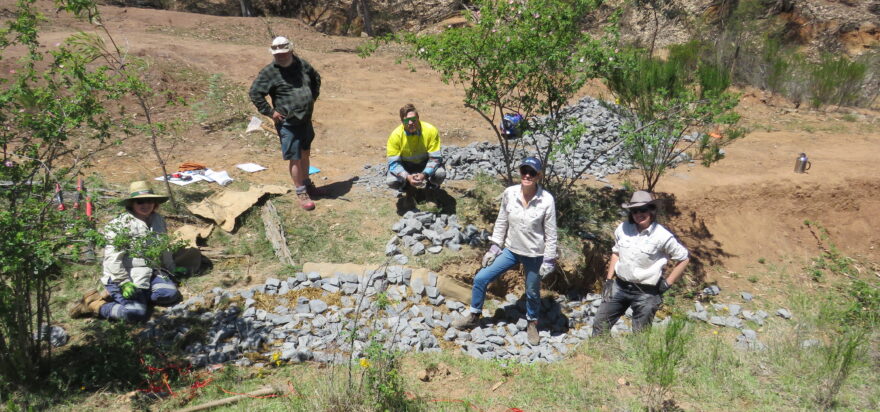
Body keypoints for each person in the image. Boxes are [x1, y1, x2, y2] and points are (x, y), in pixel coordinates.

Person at [451, 157, 557, 346]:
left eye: (532, 172)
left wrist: (548, 260)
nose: (527, 175)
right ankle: (474, 315)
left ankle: (532, 322)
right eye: (524, 171)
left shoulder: (546, 200)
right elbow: (501, 222)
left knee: (532, 291)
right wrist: (494, 248)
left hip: (534, 254)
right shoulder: (510, 193)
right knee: (481, 278)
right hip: (511, 250)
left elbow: (551, 233)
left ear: (539, 176)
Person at [69, 181, 183, 322]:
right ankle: (96, 305)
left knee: (169, 295)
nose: (145, 205)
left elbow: (164, 248)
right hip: (125, 276)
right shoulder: (119, 225)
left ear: (154, 203)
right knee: (135, 314)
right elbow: (112, 259)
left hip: (151, 273)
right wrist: (123, 282)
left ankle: (131, 296)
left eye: (149, 200)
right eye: (140, 201)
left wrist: (171, 269)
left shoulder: (158, 220)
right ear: (131, 204)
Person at [592, 190, 689, 336]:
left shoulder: (663, 236)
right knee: (600, 325)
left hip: (646, 292)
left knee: (640, 335)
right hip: (619, 286)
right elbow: (616, 253)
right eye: (634, 211)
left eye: (643, 209)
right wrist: (609, 280)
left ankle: (637, 352)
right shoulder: (622, 229)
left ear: (651, 210)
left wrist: (667, 283)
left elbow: (684, 258)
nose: (638, 214)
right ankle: (600, 350)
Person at [249, 36, 323, 211]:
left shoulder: (301, 64)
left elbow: (315, 78)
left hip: (305, 119)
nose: (280, 56)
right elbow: (255, 93)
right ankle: (301, 192)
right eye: (277, 54)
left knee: (305, 152)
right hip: (287, 122)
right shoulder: (269, 72)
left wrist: (311, 98)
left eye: (283, 52)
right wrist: (270, 112)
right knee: (294, 157)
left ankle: (307, 183)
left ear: (291, 50)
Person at [385, 103, 446, 195]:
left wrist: (424, 174)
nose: (410, 123)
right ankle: (408, 188)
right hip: (406, 166)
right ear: (402, 121)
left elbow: (435, 158)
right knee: (391, 181)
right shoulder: (395, 136)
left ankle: (431, 188)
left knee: (440, 174)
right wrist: (407, 177)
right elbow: (393, 163)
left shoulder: (430, 130)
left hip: (425, 163)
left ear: (418, 118)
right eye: (406, 120)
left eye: (413, 119)